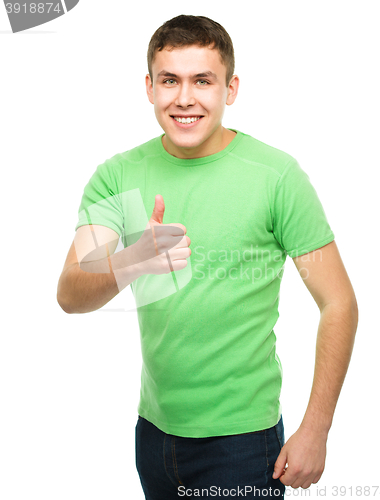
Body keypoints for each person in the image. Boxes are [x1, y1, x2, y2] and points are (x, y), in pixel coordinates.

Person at [57, 14, 358, 500]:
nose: (185, 98)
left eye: (203, 80)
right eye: (170, 80)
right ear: (149, 87)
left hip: (242, 441)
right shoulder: (117, 176)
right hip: (153, 434)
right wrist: (134, 259)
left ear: (230, 89)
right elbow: (71, 293)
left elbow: (339, 302)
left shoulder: (275, 176)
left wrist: (316, 428)